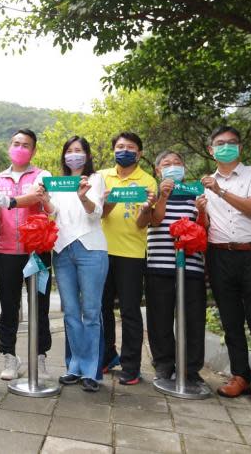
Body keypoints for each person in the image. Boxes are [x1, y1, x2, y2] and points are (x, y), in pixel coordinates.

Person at [199, 126, 251, 413]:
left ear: (240, 148)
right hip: (220, 257)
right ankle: (240, 376)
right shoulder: (203, 183)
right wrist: (199, 209)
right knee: (231, 322)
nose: (226, 147)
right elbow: (203, 226)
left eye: (232, 143)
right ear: (211, 150)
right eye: (220, 143)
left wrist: (220, 191)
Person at [0, 129, 53, 381]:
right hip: (6, 251)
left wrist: (11, 200)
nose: (20, 148)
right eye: (16, 143)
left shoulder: (42, 175)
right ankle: (9, 356)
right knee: (8, 307)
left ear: (34, 150)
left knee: (41, 305)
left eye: (26, 145)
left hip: (37, 252)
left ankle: (39, 358)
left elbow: (38, 197)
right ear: (9, 146)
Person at [48, 136, 108, 392]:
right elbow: (53, 213)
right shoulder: (57, 182)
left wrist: (83, 196)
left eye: (79, 151)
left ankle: (92, 371)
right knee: (71, 313)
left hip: (91, 249)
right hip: (62, 250)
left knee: (92, 313)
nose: (74, 155)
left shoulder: (95, 179)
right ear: (64, 157)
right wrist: (43, 199)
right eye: (70, 151)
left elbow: (96, 213)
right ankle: (74, 366)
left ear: (87, 155)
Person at [100, 131, 157, 385]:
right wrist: (109, 201)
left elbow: (144, 222)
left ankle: (131, 365)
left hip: (132, 254)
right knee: (101, 309)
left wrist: (146, 209)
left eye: (131, 147)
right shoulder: (101, 177)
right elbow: (95, 213)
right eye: (120, 146)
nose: (125, 150)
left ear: (139, 153)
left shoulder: (147, 182)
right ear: (113, 150)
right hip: (100, 251)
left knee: (130, 311)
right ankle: (106, 356)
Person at [146, 151, 206, 384]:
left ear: (185, 168)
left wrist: (202, 210)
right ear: (158, 170)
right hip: (159, 265)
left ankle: (191, 368)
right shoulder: (153, 192)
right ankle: (163, 364)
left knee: (193, 319)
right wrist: (163, 196)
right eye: (166, 164)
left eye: (177, 163)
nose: (172, 167)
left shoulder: (195, 193)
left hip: (191, 266)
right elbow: (154, 220)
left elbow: (203, 227)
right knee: (159, 318)